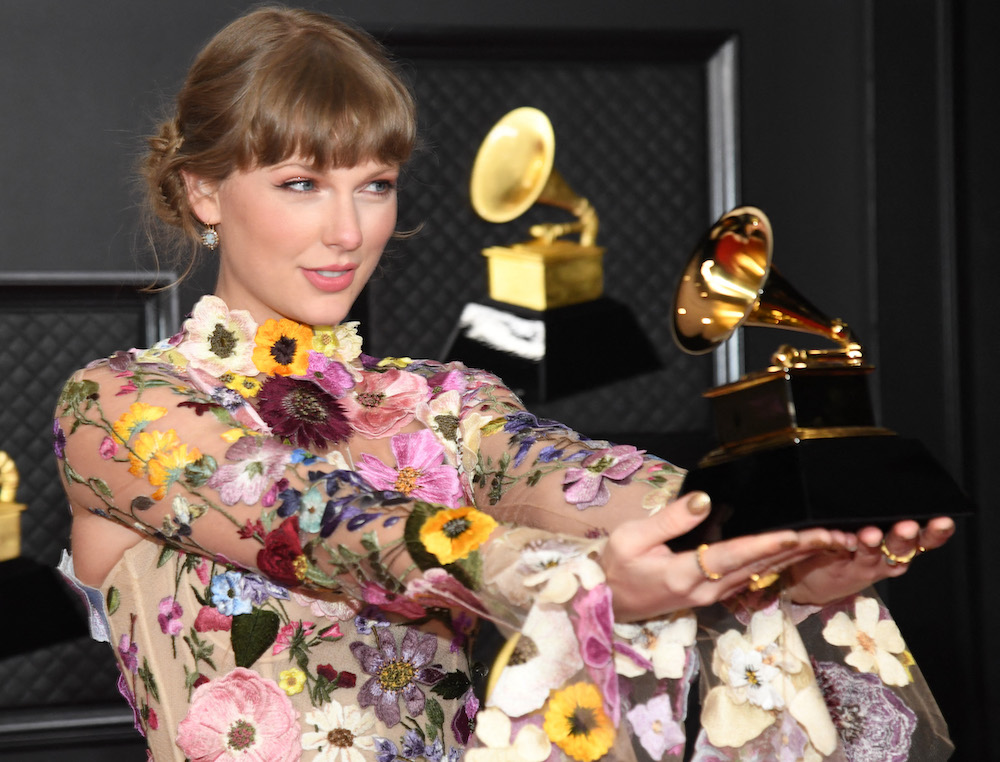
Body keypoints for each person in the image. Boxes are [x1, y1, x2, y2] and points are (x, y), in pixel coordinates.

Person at [54, 6, 956, 761]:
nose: (346, 231)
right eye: (300, 184)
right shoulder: (119, 403)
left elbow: (575, 478)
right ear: (203, 192)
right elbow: (320, 522)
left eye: (375, 185)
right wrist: (582, 577)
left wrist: (773, 536)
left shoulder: (440, 400)